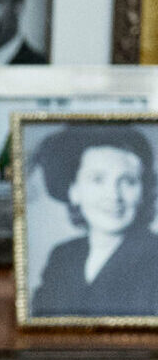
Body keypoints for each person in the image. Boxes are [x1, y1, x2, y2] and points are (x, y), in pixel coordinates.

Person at [28, 123, 158, 317]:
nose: (114, 195)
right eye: (97, 179)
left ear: (143, 192)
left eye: (129, 181)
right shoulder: (62, 256)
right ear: (74, 190)